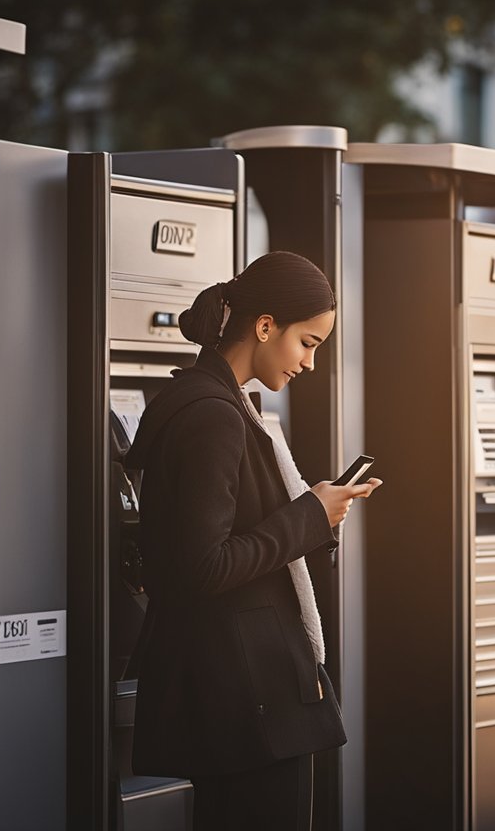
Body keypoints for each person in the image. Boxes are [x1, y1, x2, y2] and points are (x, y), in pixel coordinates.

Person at [124, 251, 380, 830]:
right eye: (308, 343)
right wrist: (311, 515)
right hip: (243, 702)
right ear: (265, 326)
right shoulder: (213, 415)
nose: (310, 363)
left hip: (239, 696)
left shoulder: (210, 402)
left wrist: (314, 512)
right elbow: (201, 567)